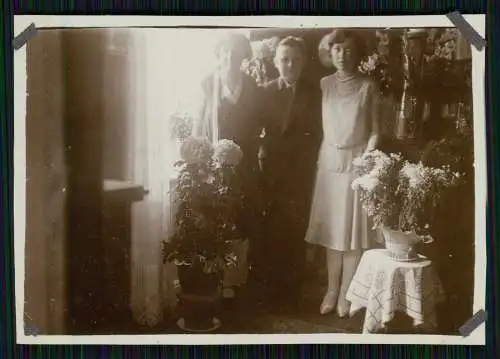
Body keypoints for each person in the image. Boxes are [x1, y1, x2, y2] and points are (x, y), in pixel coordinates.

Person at [304, 29, 380, 316]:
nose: (342, 55)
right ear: (329, 51)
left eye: (348, 49)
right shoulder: (323, 84)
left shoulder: (368, 86)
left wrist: (368, 156)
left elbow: (375, 131)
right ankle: (331, 290)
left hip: (357, 162)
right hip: (329, 161)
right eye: (337, 49)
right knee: (333, 231)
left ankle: (347, 294)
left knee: (351, 233)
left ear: (356, 52)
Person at [193, 33, 264, 299]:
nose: (230, 57)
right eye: (225, 52)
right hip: (214, 164)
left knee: (241, 221)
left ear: (244, 57)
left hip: (244, 165)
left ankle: (235, 281)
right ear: (218, 54)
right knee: (216, 219)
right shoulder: (208, 85)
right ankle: (216, 279)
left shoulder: (252, 87)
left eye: (236, 53)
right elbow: (199, 126)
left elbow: (260, 126)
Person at [258, 36, 322, 310]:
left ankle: (292, 296)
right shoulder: (265, 92)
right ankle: (269, 295)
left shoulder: (314, 94)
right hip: (270, 173)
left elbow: (319, 134)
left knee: (295, 234)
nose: (290, 65)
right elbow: (257, 132)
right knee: (270, 234)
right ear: (275, 62)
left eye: (295, 60)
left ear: (304, 62)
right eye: (284, 59)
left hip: (300, 174)